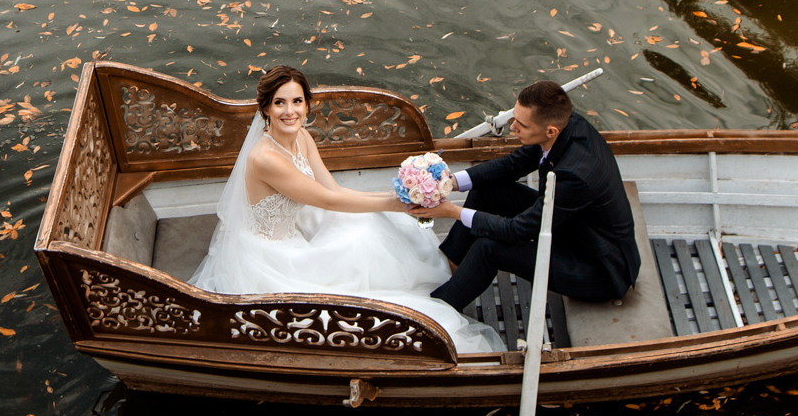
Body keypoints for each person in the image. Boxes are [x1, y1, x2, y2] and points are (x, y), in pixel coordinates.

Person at [189, 66, 503, 354]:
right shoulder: (265, 158)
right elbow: (328, 202)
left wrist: (394, 198)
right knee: (361, 237)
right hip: (272, 255)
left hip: (298, 228)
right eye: (279, 103)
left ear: (307, 105)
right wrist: (397, 204)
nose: (290, 111)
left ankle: (440, 279)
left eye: (297, 101)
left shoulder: (302, 137)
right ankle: (426, 299)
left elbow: (333, 190)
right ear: (266, 109)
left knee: (371, 223)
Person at [413, 79, 641, 311]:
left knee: (488, 248)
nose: (512, 128)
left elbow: (517, 230)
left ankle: (435, 314)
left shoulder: (575, 176)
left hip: (597, 269)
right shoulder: (565, 125)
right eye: (514, 118)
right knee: (488, 189)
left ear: (550, 130)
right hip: (571, 226)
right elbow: (513, 165)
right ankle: (450, 265)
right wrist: (451, 182)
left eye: (521, 124)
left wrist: (453, 212)